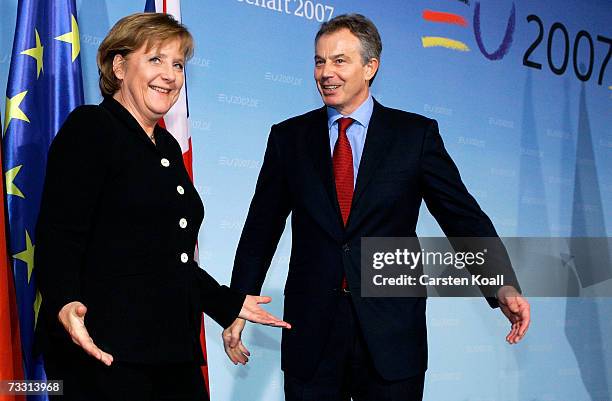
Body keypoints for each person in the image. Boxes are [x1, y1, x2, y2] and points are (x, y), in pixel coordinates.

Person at [223, 13, 530, 401]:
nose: (325, 73)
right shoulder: (289, 138)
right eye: (319, 61)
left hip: (392, 334)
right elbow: (260, 230)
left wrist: (501, 283)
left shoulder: (414, 136)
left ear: (370, 67)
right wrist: (234, 303)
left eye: (339, 61)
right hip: (312, 334)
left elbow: (461, 216)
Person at [34, 12, 289, 401]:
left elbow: (169, 258)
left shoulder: (166, 147)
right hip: (103, 353)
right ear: (119, 66)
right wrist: (65, 301)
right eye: (155, 59)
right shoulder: (92, 127)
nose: (169, 75)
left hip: (170, 350)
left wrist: (228, 301)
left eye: (178, 64)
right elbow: (59, 235)